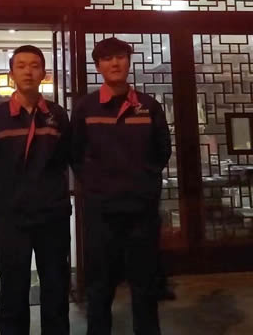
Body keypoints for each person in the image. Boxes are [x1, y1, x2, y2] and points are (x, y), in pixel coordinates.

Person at [71, 37, 172, 335]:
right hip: (101, 212)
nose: (114, 63)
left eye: (120, 57)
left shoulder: (148, 106)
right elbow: (75, 153)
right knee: (99, 284)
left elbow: (162, 151)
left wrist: (144, 183)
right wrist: (95, 186)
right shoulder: (86, 107)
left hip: (141, 211)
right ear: (98, 66)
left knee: (145, 283)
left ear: (128, 61)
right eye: (107, 58)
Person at [0, 45, 71, 335]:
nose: (28, 71)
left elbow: (65, 158)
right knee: (12, 286)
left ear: (44, 73)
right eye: (21, 66)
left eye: (35, 65)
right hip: (12, 216)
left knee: (56, 285)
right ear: (11, 74)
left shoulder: (57, 114)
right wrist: (14, 191)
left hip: (53, 215)